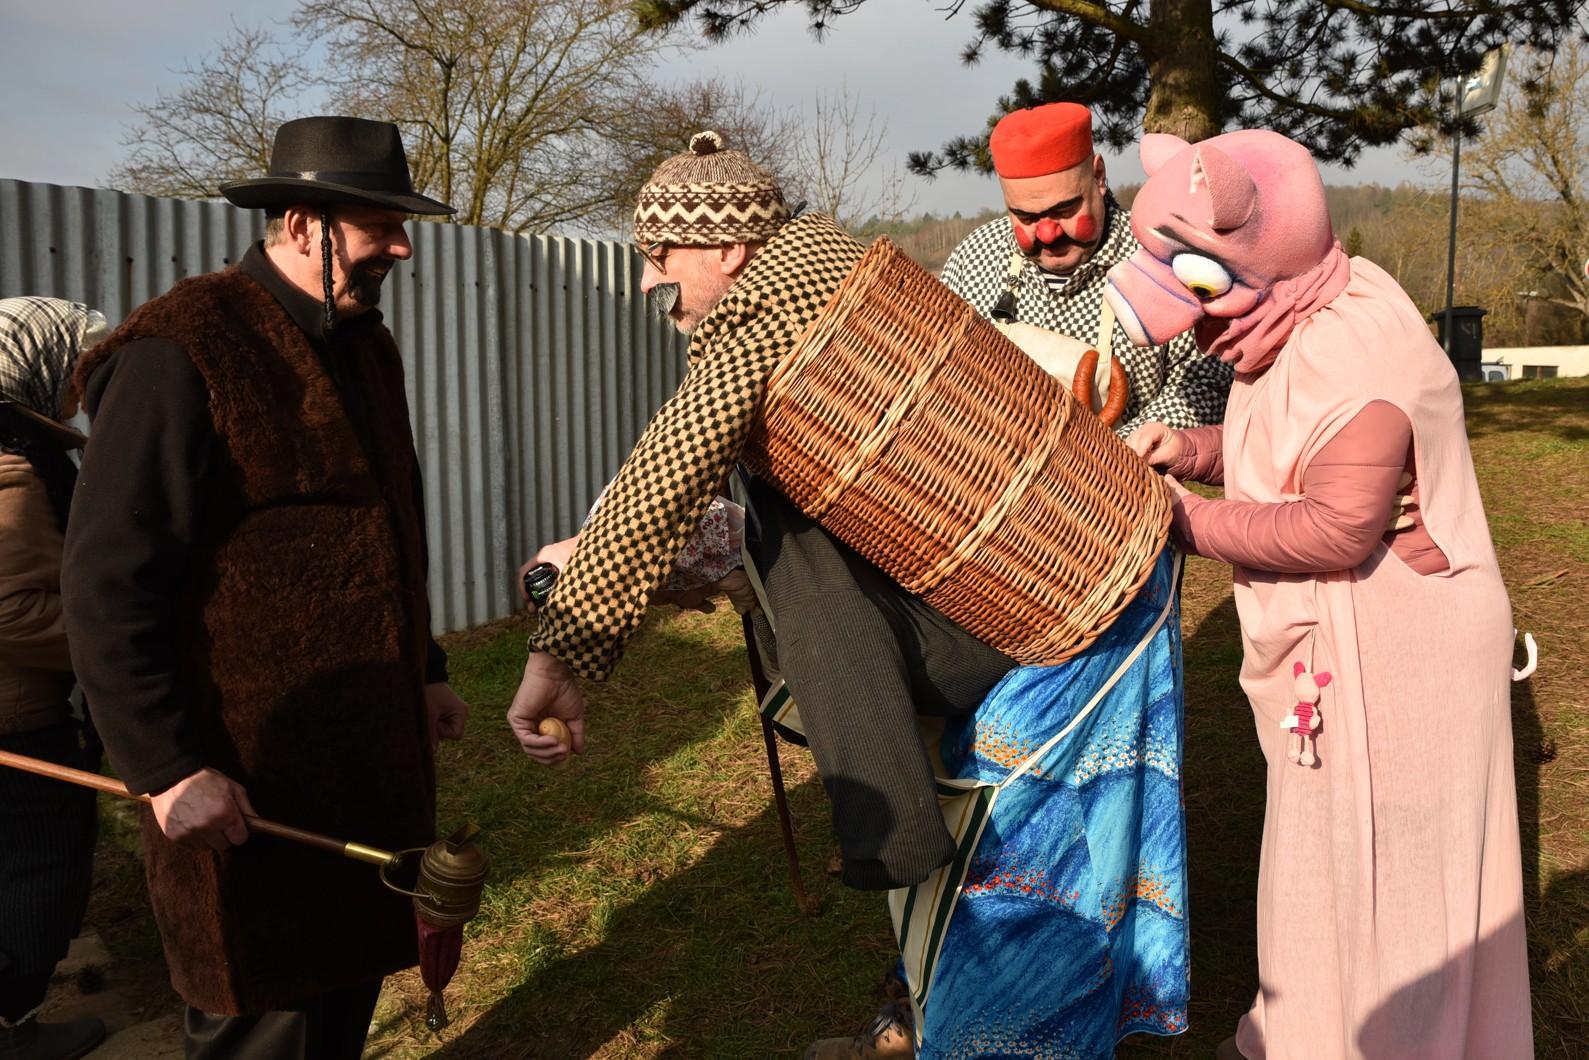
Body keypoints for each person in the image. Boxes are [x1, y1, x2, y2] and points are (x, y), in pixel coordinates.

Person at [508, 132, 1189, 1060]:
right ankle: (911, 912)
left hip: (1047, 605)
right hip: (1069, 560)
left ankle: (900, 849)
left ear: (727, 250)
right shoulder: (840, 264)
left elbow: (661, 477)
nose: (647, 280)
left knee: (1027, 877)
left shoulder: (762, 318)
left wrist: (561, 655)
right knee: (780, 513)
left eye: (659, 256)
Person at [1110, 129, 1531, 1060]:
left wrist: (1186, 522)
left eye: (1202, 295)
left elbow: (1337, 524)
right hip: (1348, 645)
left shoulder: (1355, 349)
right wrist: (1191, 450)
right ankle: (1313, 1031)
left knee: (1396, 884)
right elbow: (1285, 447)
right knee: (1328, 859)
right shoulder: (1303, 309)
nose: (1200, 328)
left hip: (1401, 655)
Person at [60, 116, 470, 1059]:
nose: (401, 247)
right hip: (244, 780)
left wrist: (425, 669)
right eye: (380, 227)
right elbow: (107, 581)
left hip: (364, 767)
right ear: (300, 225)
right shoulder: (179, 352)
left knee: (343, 992)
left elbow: (387, 532)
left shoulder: (362, 343)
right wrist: (165, 769)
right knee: (264, 1016)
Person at [940, 102, 1231, 434]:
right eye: (1027, 217)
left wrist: (1119, 450)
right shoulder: (972, 257)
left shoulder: (1160, 258)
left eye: (1064, 210)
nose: (1048, 234)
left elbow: (1208, 379)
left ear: (1099, 176)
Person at [0, 298, 106, 1060]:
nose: (81, 387)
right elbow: (10, 611)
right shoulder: (13, 469)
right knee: (42, 864)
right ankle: (17, 1028)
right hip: (15, 720)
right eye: (75, 368)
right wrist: (117, 642)